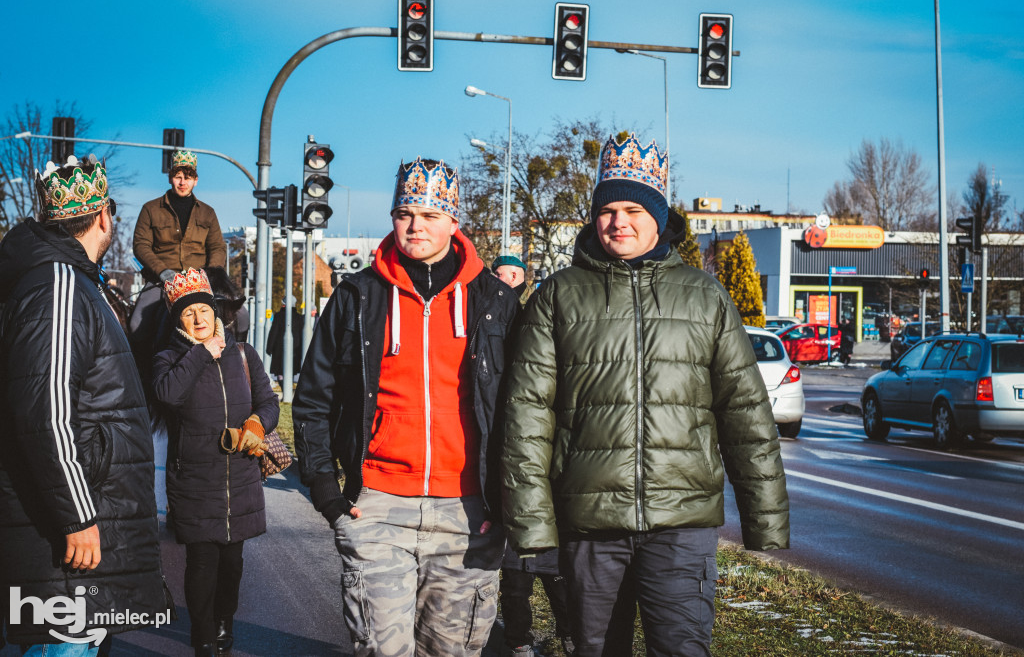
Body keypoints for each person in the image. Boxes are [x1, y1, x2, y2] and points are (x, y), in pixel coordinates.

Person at [501, 133, 790, 657]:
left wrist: (764, 518)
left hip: (681, 524)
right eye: (607, 209)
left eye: (633, 208)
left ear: (659, 216)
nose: (619, 221)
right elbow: (526, 418)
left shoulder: (704, 296)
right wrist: (531, 522)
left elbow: (745, 413)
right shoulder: (558, 297)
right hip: (589, 525)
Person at [293, 157, 519, 656]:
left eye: (430, 215)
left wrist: (507, 502)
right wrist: (326, 491)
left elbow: (523, 409)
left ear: (453, 221)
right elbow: (313, 397)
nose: (416, 226)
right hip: (377, 508)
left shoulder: (496, 302)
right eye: (405, 213)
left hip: (468, 512)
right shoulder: (356, 296)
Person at [0, 156, 169, 654]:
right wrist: (77, 516)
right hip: (68, 542)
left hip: (79, 531)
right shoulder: (59, 283)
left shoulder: (67, 280)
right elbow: (45, 412)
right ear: (104, 218)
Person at [152, 268, 279, 657]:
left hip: (239, 475)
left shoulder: (244, 354)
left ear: (216, 312)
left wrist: (258, 423)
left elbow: (269, 402)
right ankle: (203, 637)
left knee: (233, 563)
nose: (199, 319)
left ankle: (225, 621)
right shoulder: (168, 359)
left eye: (204, 311)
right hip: (194, 478)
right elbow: (168, 395)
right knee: (202, 561)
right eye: (188, 314)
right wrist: (200, 354)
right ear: (178, 320)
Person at [489, 256, 573, 656]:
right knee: (516, 575)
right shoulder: (487, 319)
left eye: (514, 275)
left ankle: (570, 634)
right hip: (510, 458)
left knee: (556, 572)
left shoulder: (536, 320)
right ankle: (519, 640)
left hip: (549, 466)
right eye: (500, 275)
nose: (506, 281)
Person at [130, 150, 227, 394]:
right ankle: (141, 383)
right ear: (170, 177)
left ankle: (234, 371)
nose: (183, 181)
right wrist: (163, 272)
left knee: (242, 316)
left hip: (200, 283)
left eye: (188, 176)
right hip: (161, 283)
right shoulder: (150, 209)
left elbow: (217, 246)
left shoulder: (208, 212)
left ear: (196, 180)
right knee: (136, 325)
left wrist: (210, 276)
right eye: (178, 175)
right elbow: (140, 244)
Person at [265, 296, 303, 383]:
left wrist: (269, 348)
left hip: (280, 350)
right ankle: (288, 391)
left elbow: (273, 333)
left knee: (280, 372)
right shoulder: (299, 318)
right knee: (291, 371)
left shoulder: (278, 316)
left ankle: (285, 392)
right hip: (295, 351)